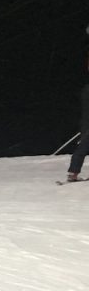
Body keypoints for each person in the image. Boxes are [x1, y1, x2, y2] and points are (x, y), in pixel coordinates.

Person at [66, 30, 89, 182]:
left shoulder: (85, 90)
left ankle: (73, 173)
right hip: (87, 124)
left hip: (86, 125)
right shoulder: (87, 91)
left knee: (83, 148)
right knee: (83, 148)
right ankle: (73, 173)